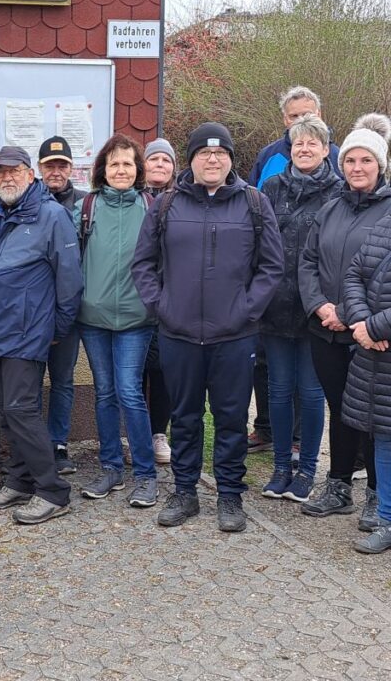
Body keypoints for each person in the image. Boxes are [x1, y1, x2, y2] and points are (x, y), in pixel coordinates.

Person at [132, 122, 283, 532]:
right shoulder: (166, 204)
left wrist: (247, 310)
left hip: (234, 335)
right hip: (178, 334)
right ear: (192, 159)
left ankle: (230, 495)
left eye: (220, 153)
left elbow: (272, 267)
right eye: (203, 153)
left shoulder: (254, 204)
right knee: (184, 417)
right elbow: (143, 265)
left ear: (231, 159)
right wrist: (161, 306)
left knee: (231, 417)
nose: (212, 159)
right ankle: (184, 492)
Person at [0, 146, 83, 525]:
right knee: (7, 410)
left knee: (22, 409)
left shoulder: (51, 215)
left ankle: (53, 490)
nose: (6, 178)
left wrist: (58, 329)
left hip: (26, 331)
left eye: (13, 171)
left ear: (30, 174)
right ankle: (20, 479)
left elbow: (69, 280)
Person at [302, 117, 391, 531]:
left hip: (371, 336)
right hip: (326, 330)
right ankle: (338, 486)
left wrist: (354, 316)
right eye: (351, 159)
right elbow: (308, 261)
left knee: (373, 416)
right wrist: (321, 306)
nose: (357, 167)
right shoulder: (330, 208)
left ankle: (378, 493)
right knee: (340, 408)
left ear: (380, 164)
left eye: (366, 160)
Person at [248, 86, 338, 459]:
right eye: (297, 140)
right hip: (275, 302)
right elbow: (255, 237)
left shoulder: (339, 189)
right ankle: (280, 460)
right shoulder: (271, 180)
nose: (304, 146)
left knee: (312, 391)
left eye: (312, 141)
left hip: (317, 306)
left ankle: (306, 461)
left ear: (325, 148)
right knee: (278, 386)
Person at [75, 135, 158, 508]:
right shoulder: (87, 207)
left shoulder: (152, 206)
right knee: (105, 392)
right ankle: (111, 467)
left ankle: (145, 474)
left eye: (127, 163)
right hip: (92, 317)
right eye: (114, 164)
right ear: (102, 171)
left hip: (136, 318)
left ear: (137, 169)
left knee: (129, 391)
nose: (121, 170)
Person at [341, 124, 391, 555]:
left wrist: (375, 328)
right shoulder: (387, 221)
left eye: (368, 160)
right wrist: (361, 322)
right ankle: (388, 518)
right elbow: (355, 272)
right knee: (386, 439)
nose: (359, 168)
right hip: (377, 354)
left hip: (381, 339)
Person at [36, 135, 86, 474]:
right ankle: (33, 444)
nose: (56, 171)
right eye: (50, 165)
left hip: (69, 309)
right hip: (33, 312)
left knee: (63, 380)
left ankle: (58, 444)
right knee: (28, 381)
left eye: (62, 165)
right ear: (40, 169)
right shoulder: (28, 203)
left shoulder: (85, 204)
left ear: (71, 168)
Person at [141, 138, 177, 464]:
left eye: (166, 161)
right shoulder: (135, 199)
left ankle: (158, 433)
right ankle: (136, 433)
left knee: (162, 371)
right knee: (135, 371)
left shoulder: (180, 200)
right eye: (155, 160)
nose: (160, 165)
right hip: (137, 298)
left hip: (170, 299)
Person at [249, 86, 341, 188]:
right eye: (294, 116)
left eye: (307, 114)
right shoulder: (267, 155)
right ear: (285, 119)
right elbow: (253, 200)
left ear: (319, 115)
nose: (300, 120)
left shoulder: (338, 157)